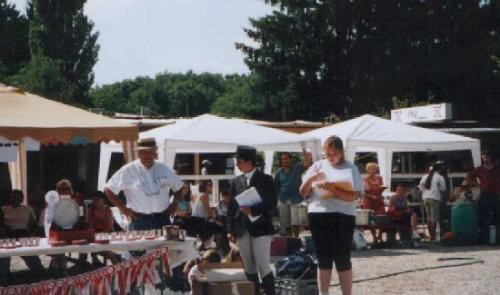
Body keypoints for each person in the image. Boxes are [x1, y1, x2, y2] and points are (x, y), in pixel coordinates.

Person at [299, 136, 363, 295]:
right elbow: (302, 192)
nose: (330, 157)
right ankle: (323, 293)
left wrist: (334, 190)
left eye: (334, 154)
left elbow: (352, 196)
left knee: (342, 258)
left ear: (341, 152)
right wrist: (312, 178)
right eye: (327, 154)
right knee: (323, 257)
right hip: (318, 214)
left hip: (343, 216)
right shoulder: (317, 165)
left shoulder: (350, 168)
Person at [104, 138, 186, 232]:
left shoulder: (163, 168)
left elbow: (179, 187)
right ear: (139, 153)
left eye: (151, 151)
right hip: (139, 221)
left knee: (164, 247)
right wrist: (123, 208)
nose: (148, 155)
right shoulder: (128, 170)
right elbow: (108, 189)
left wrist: (175, 203)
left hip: (162, 219)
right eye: (144, 152)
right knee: (140, 247)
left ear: (155, 152)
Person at [227, 145, 277, 295]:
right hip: (242, 228)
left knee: (263, 265)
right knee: (248, 266)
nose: (237, 163)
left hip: (261, 227)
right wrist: (229, 230)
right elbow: (231, 208)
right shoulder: (236, 181)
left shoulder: (266, 179)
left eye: (239, 160)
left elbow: (272, 203)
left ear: (250, 161)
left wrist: (253, 210)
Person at [0, 190, 44, 282]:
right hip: (8, 234)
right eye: (12, 196)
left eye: (16, 197)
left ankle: (38, 272)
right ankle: (4, 277)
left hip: (23, 233)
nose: (13, 198)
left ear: (21, 199)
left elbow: (33, 223)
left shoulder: (27, 209)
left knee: (30, 253)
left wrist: (33, 233)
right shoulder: (3, 209)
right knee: (4, 255)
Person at [274, 151, 312, 237]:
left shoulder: (297, 168)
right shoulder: (279, 172)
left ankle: (296, 240)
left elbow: (307, 163)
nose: (284, 161)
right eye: (283, 159)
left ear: (291, 159)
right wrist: (279, 196)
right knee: (285, 224)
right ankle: (289, 241)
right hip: (283, 200)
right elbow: (275, 186)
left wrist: (305, 153)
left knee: (297, 222)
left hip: (296, 199)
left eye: (286, 158)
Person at [467, 150, 500, 244]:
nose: (485, 159)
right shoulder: (480, 169)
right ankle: (483, 237)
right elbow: (468, 177)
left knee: (497, 214)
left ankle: (497, 237)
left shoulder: (497, 168)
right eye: (483, 158)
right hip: (485, 194)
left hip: (496, 194)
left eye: (487, 157)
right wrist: (477, 184)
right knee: (482, 215)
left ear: (490, 157)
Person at [87, 191, 118, 265]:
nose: (95, 201)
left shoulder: (107, 210)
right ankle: (94, 260)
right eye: (93, 199)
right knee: (87, 240)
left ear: (102, 200)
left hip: (107, 233)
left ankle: (115, 263)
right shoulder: (91, 209)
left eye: (97, 199)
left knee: (100, 244)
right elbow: (90, 224)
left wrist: (97, 232)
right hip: (95, 232)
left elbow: (109, 227)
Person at [419, 161, 446, 241]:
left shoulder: (424, 176)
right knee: (434, 219)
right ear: (440, 169)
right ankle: (433, 237)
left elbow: (420, 187)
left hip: (425, 198)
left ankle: (431, 236)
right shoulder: (439, 177)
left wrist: (425, 192)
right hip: (434, 198)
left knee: (428, 219)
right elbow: (443, 189)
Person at [362, 162, 386, 244]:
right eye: (372, 169)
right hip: (369, 201)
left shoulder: (379, 178)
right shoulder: (365, 180)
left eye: (375, 169)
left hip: (378, 200)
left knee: (382, 218)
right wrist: (370, 196)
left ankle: (380, 236)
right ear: (368, 170)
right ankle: (374, 237)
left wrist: (382, 189)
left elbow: (381, 188)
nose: (374, 170)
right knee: (371, 220)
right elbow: (362, 192)